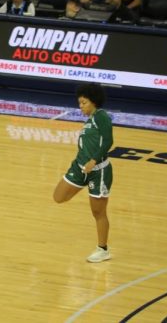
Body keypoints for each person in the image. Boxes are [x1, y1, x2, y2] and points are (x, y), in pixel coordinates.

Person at [53, 83, 114, 264]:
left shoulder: (101, 117)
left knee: (98, 212)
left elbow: (108, 141)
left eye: (84, 103)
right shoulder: (89, 120)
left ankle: (103, 249)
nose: (81, 106)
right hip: (79, 168)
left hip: (99, 171)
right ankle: (85, 187)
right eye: (79, 103)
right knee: (58, 196)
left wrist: (93, 160)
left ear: (93, 101)